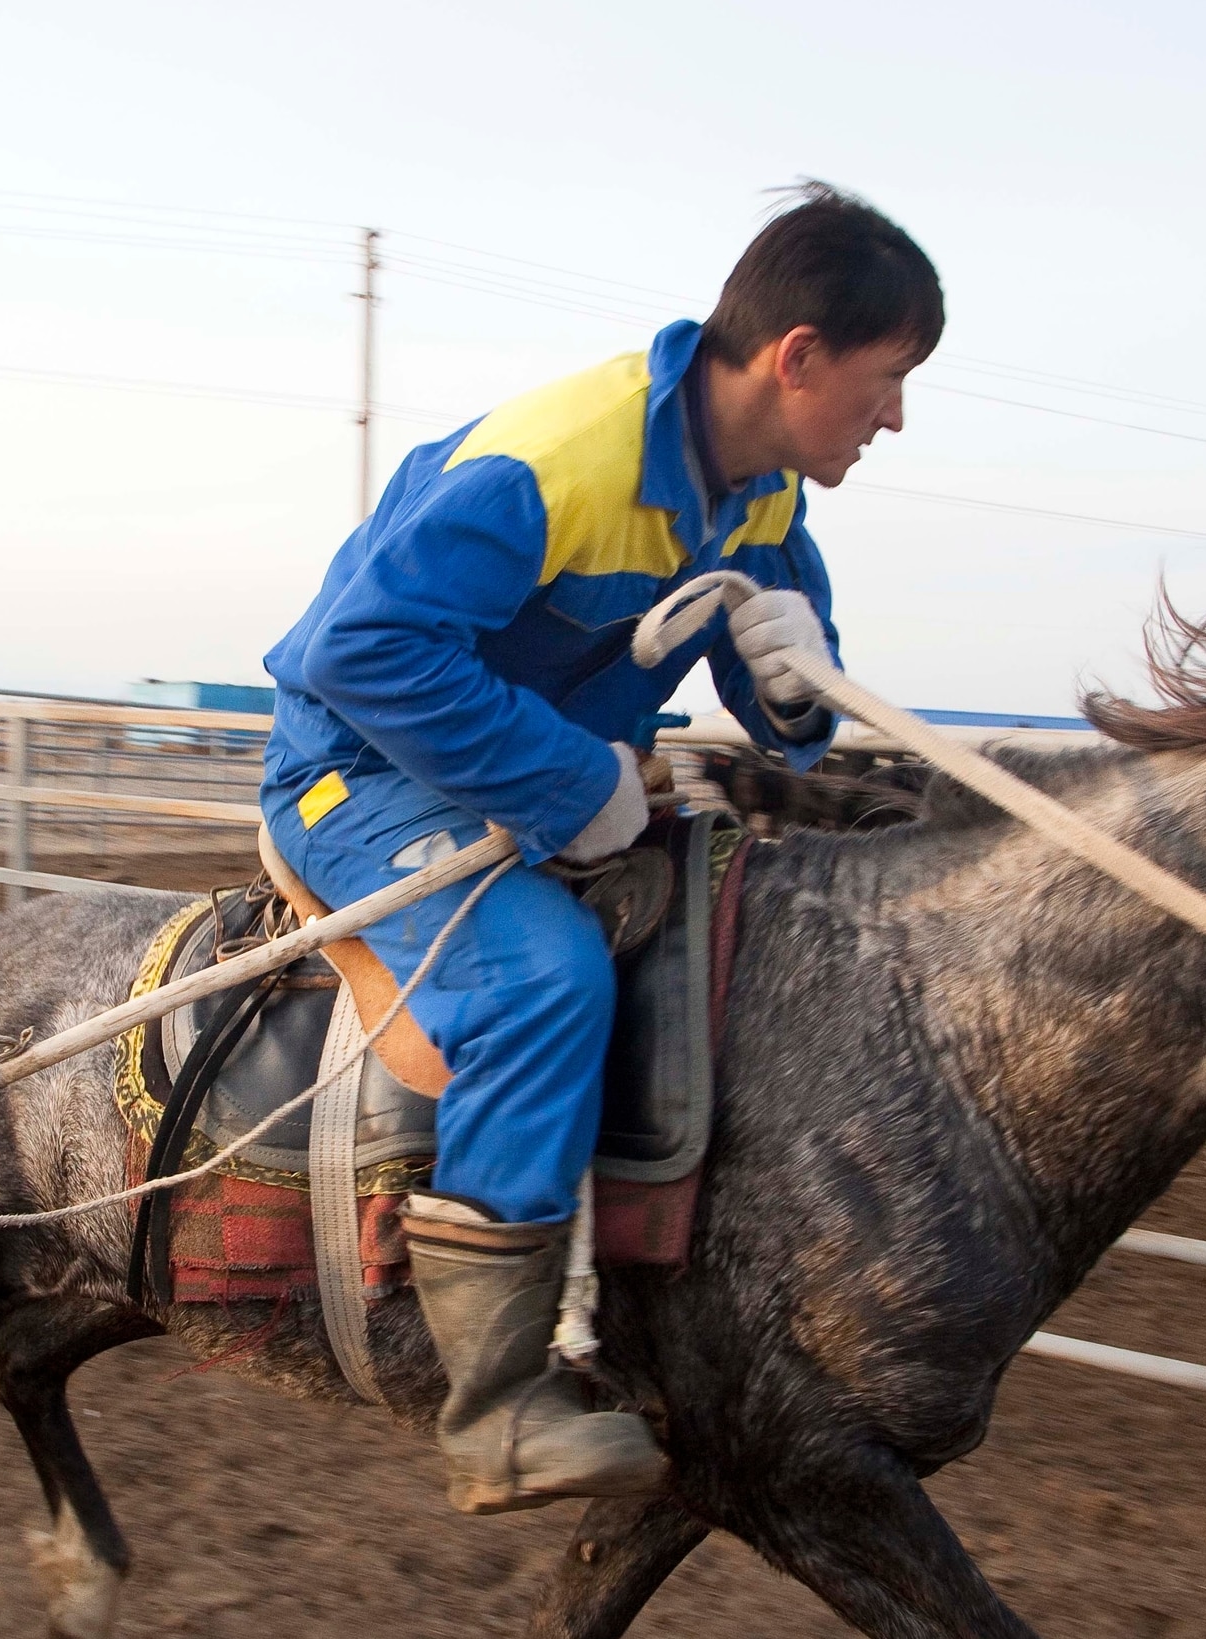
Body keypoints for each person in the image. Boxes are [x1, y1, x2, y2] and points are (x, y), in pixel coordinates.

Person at [258, 184, 943, 1512]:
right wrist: (577, 783)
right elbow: (362, 654)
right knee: (544, 979)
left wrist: (794, 686)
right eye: (889, 377)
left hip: (538, 788)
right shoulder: (552, 466)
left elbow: (789, 711)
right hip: (360, 774)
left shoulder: (758, 497)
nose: (897, 416)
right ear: (799, 357)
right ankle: (496, 1411)